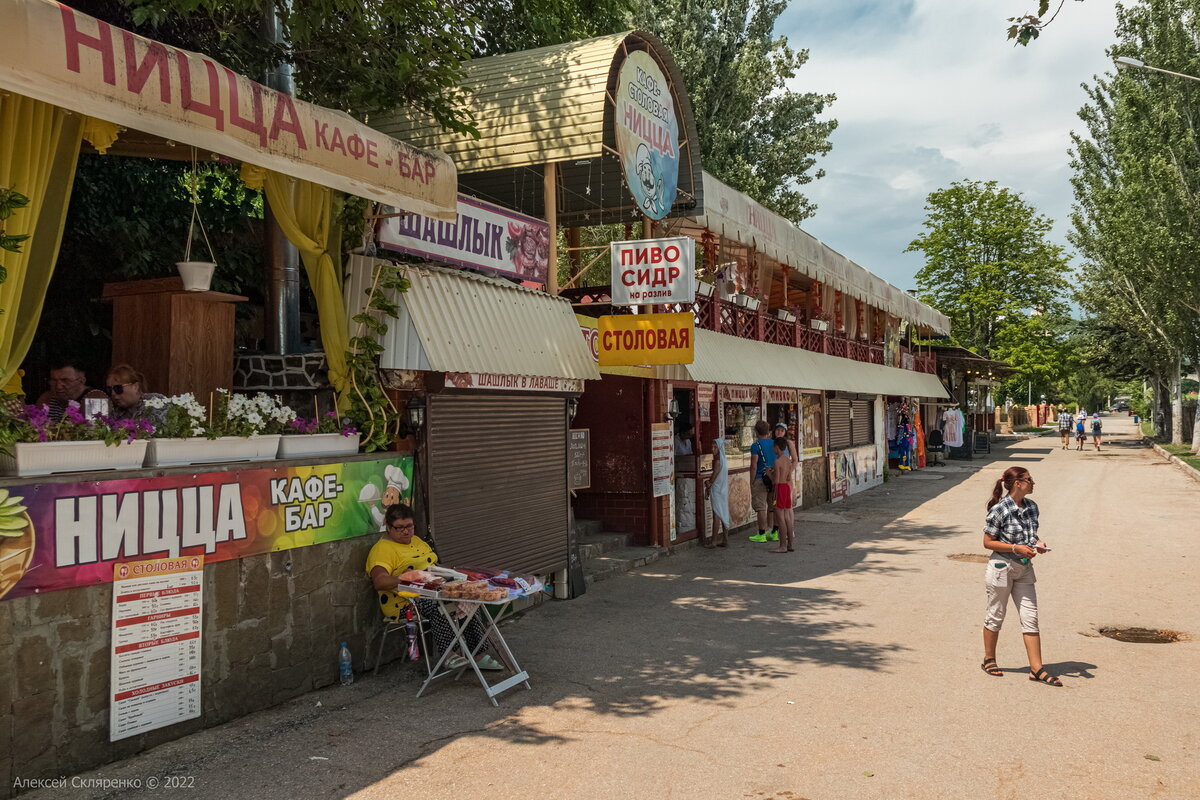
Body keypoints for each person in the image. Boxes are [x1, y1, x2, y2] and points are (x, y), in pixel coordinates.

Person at [366, 504, 503, 671]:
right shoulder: (382, 550)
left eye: (409, 526)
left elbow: (433, 564)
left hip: (433, 587)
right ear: (388, 527)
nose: (406, 531)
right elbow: (380, 582)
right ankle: (449, 654)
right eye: (400, 528)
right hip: (405, 602)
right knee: (440, 603)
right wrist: (407, 576)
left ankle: (477, 653)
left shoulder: (416, 541)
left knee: (468, 594)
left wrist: (452, 574)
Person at [980, 466, 1061, 687]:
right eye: (1029, 479)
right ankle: (989, 659)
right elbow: (988, 542)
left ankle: (1037, 668)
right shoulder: (999, 509)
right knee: (996, 614)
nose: (1033, 483)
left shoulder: (1032, 507)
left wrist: (1038, 543)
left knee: (1030, 617)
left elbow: (1030, 535)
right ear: (1018, 483)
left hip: (1025, 568)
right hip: (1001, 567)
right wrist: (1016, 548)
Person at [34, 362, 105, 422]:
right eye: (54, 380)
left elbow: (94, 434)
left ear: (82, 381)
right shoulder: (46, 398)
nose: (58, 386)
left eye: (65, 380)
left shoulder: (96, 399)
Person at [747, 420, 777, 543]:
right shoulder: (775, 443)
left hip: (760, 478)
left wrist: (752, 480)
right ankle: (773, 532)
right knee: (772, 506)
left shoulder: (756, 446)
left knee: (761, 507)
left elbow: (753, 465)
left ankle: (761, 533)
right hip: (773, 477)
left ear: (756, 432)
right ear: (768, 432)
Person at [768, 437, 795, 554]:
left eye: (774, 447)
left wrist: (769, 474)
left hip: (779, 488)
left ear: (777, 447)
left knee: (780, 519)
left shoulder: (777, 461)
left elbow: (776, 481)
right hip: (786, 488)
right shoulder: (788, 460)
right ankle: (790, 544)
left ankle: (782, 545)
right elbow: (788, 477)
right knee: (788, 517)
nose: (773, 449)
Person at [703, 438, 730, 549]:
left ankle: (714, 541)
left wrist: (708, 483)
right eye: (712, 447)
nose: (712, 449)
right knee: (723, 513)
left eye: (715, 447)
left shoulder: (718, 461)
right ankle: (725, 539)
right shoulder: (723, 460)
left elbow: (713, 477)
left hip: (717, 490)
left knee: (717, 515)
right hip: (722, 490)